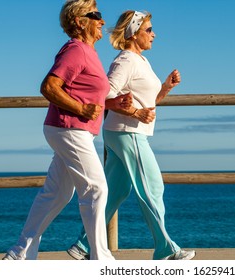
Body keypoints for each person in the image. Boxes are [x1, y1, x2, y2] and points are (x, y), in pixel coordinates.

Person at [2, 0, 131, 260]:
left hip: (71, 130)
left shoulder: (87, 52)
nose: (102, 22)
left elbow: (84, 94)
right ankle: (101, 260)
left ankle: (20, 254)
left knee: (57, 193)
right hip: (69, 128)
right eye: (96, 15)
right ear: (79, 21)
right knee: (96, 188)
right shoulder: (75, 50)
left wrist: (110, 103)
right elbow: (49, 87)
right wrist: (82, 110)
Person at [67, 10, 196, 261]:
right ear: (134, 33)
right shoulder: (125, 60)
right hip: (127, 133)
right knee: (153, 187)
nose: (154, 34)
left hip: (125, 133)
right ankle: (165, 250)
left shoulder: (141, 61)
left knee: (116, 192)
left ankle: (83, 245)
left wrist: (166, 87)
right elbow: (103, 95)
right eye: (148, 30)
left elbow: (148, 101)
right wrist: (136, 113)